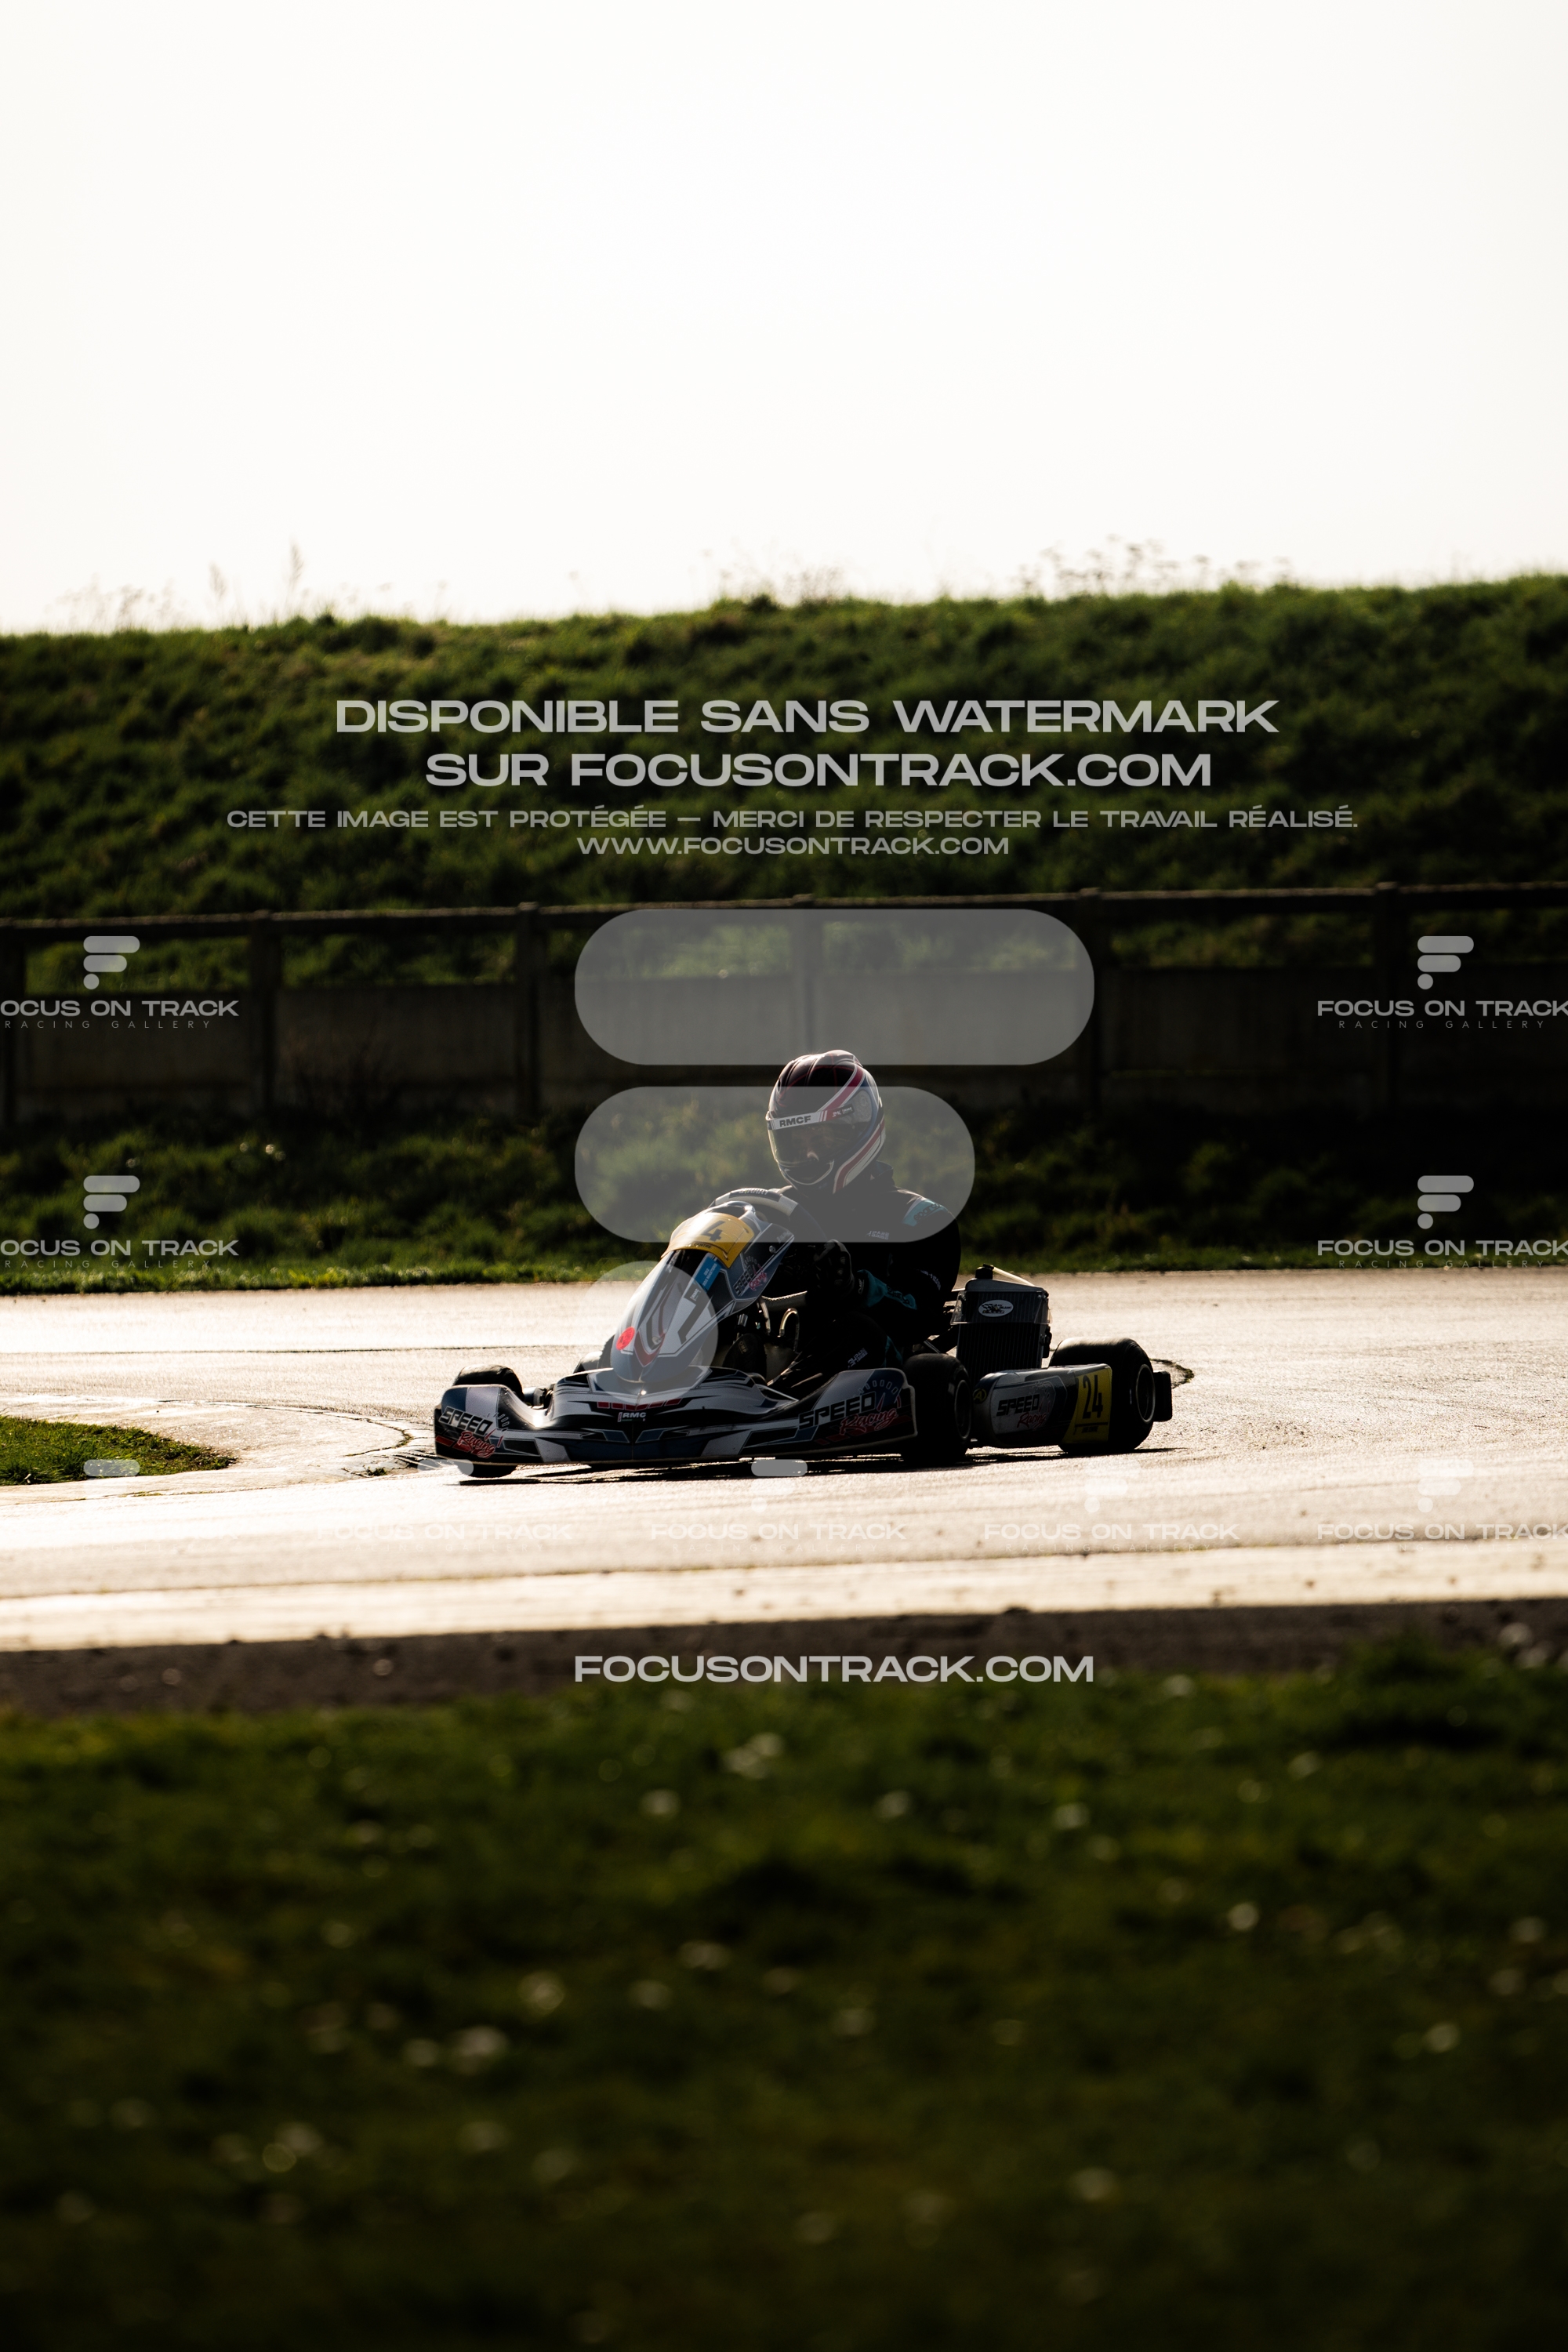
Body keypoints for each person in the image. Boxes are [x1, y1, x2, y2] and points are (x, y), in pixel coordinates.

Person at [760, 1049, 960, 1392]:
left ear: (858, 1129)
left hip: (877, 1369)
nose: (809, 1155)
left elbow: (920, 1316)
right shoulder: (771, 1211)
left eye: (821, 1138)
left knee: (856, 1327)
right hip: (775, 1353)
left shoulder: (918, 1219)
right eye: (795, 1142)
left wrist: (855, 1287)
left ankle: (772, 1403)